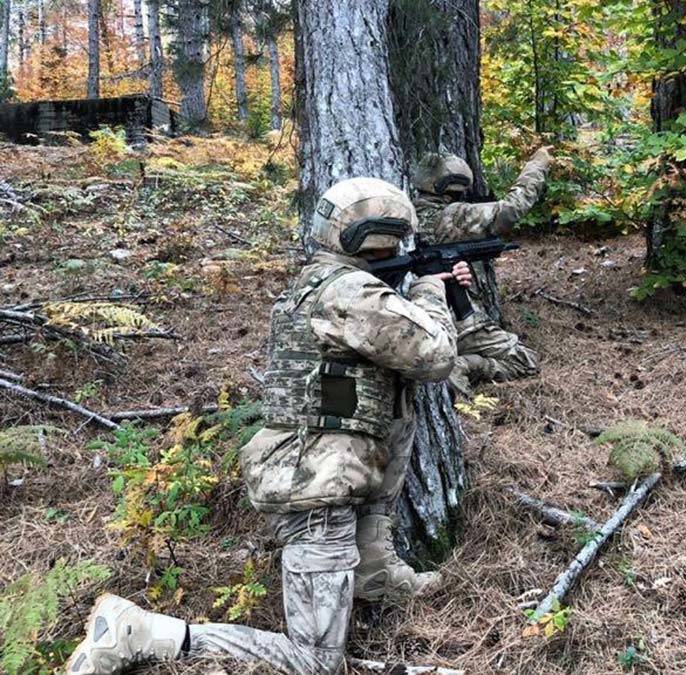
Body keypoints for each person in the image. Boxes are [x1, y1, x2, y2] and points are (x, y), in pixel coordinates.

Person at [66, 177, 473, 675]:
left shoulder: (321, 283)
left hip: (326, 478)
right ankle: (145, 633)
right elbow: (433, 355)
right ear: (385, 232)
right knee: (314, 663)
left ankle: (375, 577)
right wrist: (432, 291)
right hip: (318, 493)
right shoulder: (348, 292)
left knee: (344, 619)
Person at [410, 147, 552, 396]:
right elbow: (511, 209)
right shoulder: (453, 216)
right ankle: (463, 365)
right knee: (526, 361)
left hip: (422, 320)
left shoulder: (409, 214)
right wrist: (537, 165)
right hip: (460, 322)